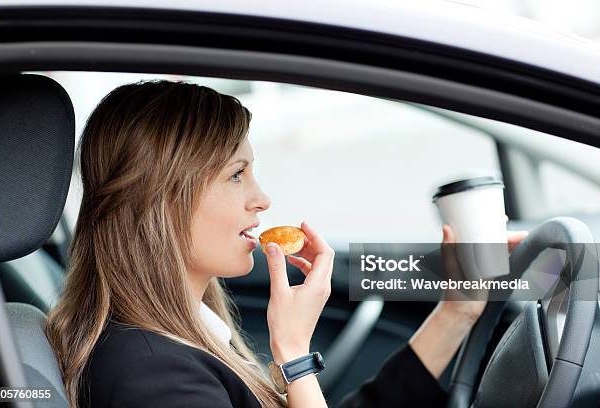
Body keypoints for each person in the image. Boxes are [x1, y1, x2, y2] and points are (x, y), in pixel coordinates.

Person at [44, 80, 527, 408]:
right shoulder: (152, 377)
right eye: (237, 175)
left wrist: (458, 311)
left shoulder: (176, 337)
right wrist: (293, 353)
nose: (262, 199)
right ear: (161, 200)